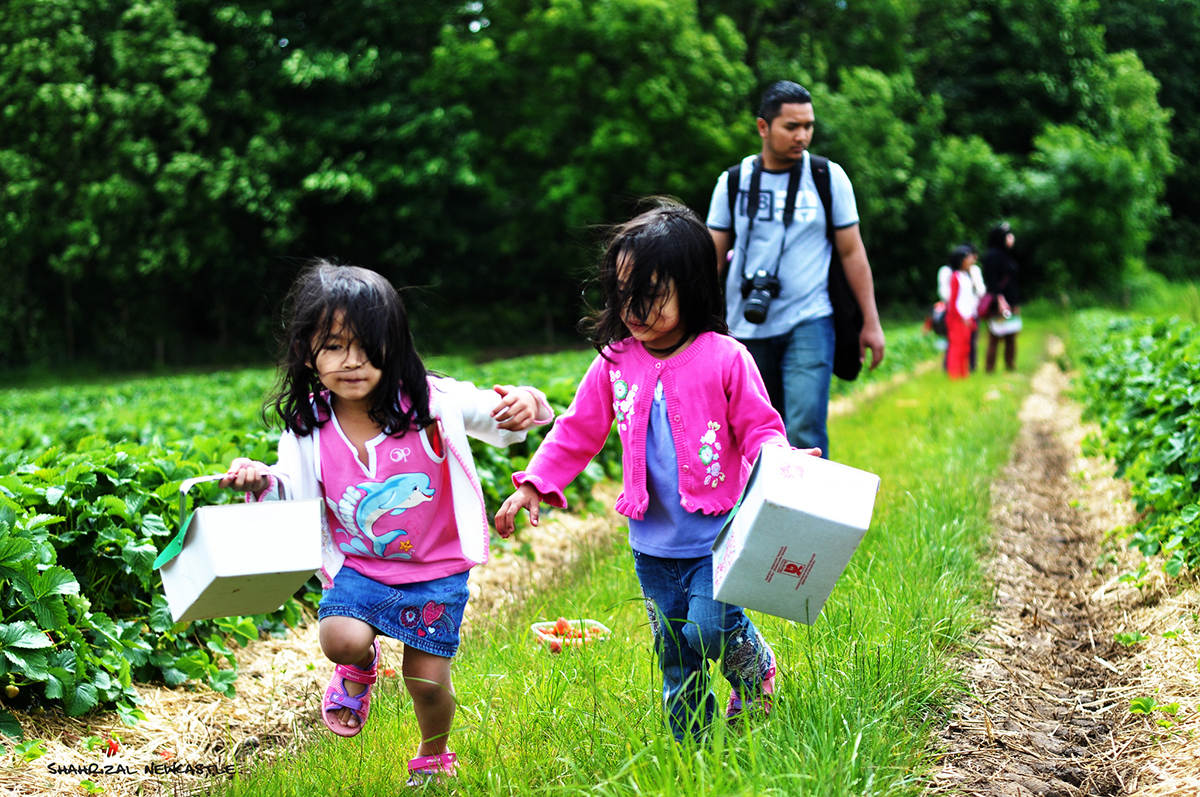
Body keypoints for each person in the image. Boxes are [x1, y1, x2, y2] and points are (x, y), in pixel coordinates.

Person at [494, 201, 820, 741]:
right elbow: (577, 430)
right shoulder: (615, 361)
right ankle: (691, 743)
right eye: (623, 293)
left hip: (717, 536)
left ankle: (754, 669)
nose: (634, 308)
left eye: (650, 294)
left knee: (711, 629)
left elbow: (761, 428)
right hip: (651, 543)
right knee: (674, 644)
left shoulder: (725, 357)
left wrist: (779, 462)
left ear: (691, 287)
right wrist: (533, 482)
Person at [218, 261, 552, 783]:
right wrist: (260, 479)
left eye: (365, 346)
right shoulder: (309, 422)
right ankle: (359, 665)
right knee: (338, 637)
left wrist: (527, 402)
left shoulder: (431, 403)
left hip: (437, 568)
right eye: (332, 346)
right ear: (308, 350)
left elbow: (507, 413)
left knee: (428, 682)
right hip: (362, 563)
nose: (350, 362)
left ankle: (433, 753)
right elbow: (291, 485)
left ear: (393, 346)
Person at [706, 80, 885, 459]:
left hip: (811, 319)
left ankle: (806, 520)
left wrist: (870, 320)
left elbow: (852, 252)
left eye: (808, 126)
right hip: (745, 328)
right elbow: (711, 258)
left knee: (806, 430)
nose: (802, 135)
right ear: (763, 127)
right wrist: (695, 321)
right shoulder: (733, 182)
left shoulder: (828, 177)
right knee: (752, 434)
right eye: (792, 126)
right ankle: (756, 517)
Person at [937, 243, 985, 371]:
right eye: (968, 257)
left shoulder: (968, 275)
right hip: (958, 317)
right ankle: (953, 373)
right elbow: (952, 300)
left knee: (967, 346)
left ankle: (964, 371)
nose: (972, 260)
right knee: (956, 346)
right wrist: (961, 316)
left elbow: (979, 291)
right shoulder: (954, 276)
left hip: (968, 315)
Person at [982, 222, 1020, 372]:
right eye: (1008, 236)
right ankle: (990, 369)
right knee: (995, 336)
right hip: (999, 303)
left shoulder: (1007, 256)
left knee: (1012, 336)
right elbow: (991, 281)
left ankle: (1010, 365)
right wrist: (1000, 300)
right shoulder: (992, 256)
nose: (1012, 238)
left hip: (1012, 301)